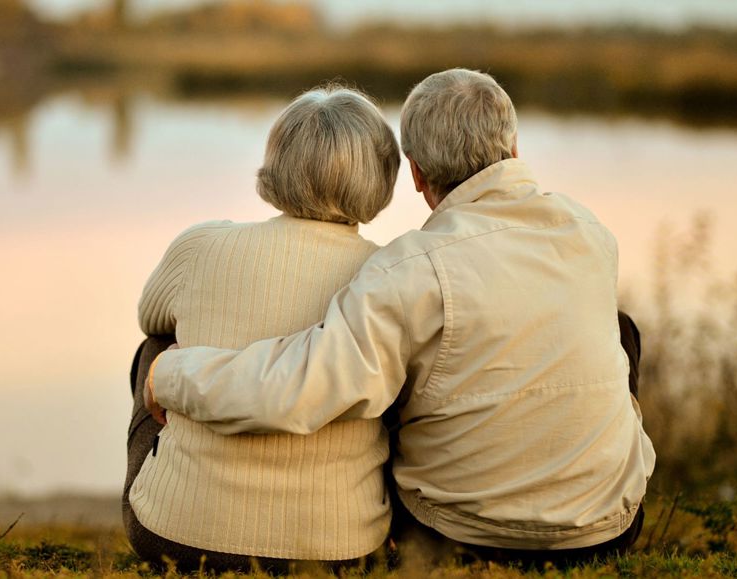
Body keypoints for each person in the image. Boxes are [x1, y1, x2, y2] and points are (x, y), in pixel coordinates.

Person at [147, 69, 656, 567]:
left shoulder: (410, 269)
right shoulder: (591, 232)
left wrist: (169, 372)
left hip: (458, 534)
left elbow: (301, 387)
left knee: (389, 372)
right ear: (515, 148)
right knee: (620, 329)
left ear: (414, 173)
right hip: (606, 530)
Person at [123, 85, 401, 573]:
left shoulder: (201, 246)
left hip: (176, 536)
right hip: (341, 547)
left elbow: (150, 316)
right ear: (383, 175)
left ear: (276, 163)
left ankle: (181, 486)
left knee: (157, 348)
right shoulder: (390, 274)